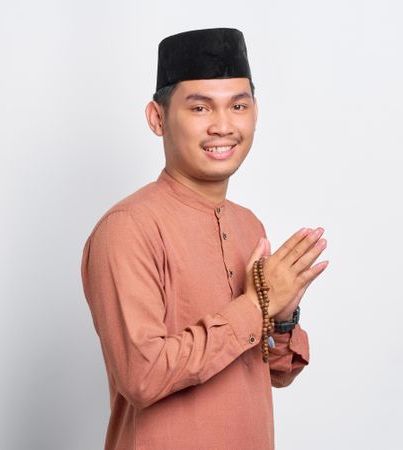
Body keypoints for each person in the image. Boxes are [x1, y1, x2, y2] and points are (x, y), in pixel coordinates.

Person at [81, 28, 329, 450]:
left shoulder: (249, 226)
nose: (223, 125)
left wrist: (283, 315)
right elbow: (143, 375)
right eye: (200, 107)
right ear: (157, 119)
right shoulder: (128, 228)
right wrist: (255, 306)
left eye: (238, 105)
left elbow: (276, 372)